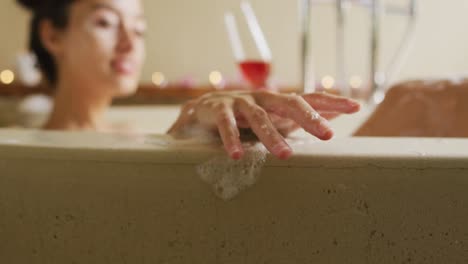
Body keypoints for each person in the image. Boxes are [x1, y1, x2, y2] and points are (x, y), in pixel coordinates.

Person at [17, 0, 360, 160]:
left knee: (411, 98)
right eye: (106, 22)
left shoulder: (130, 133)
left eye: (140, 28)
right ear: (52, 36)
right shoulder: (23, 152)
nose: (130, 42)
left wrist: (202, 120)